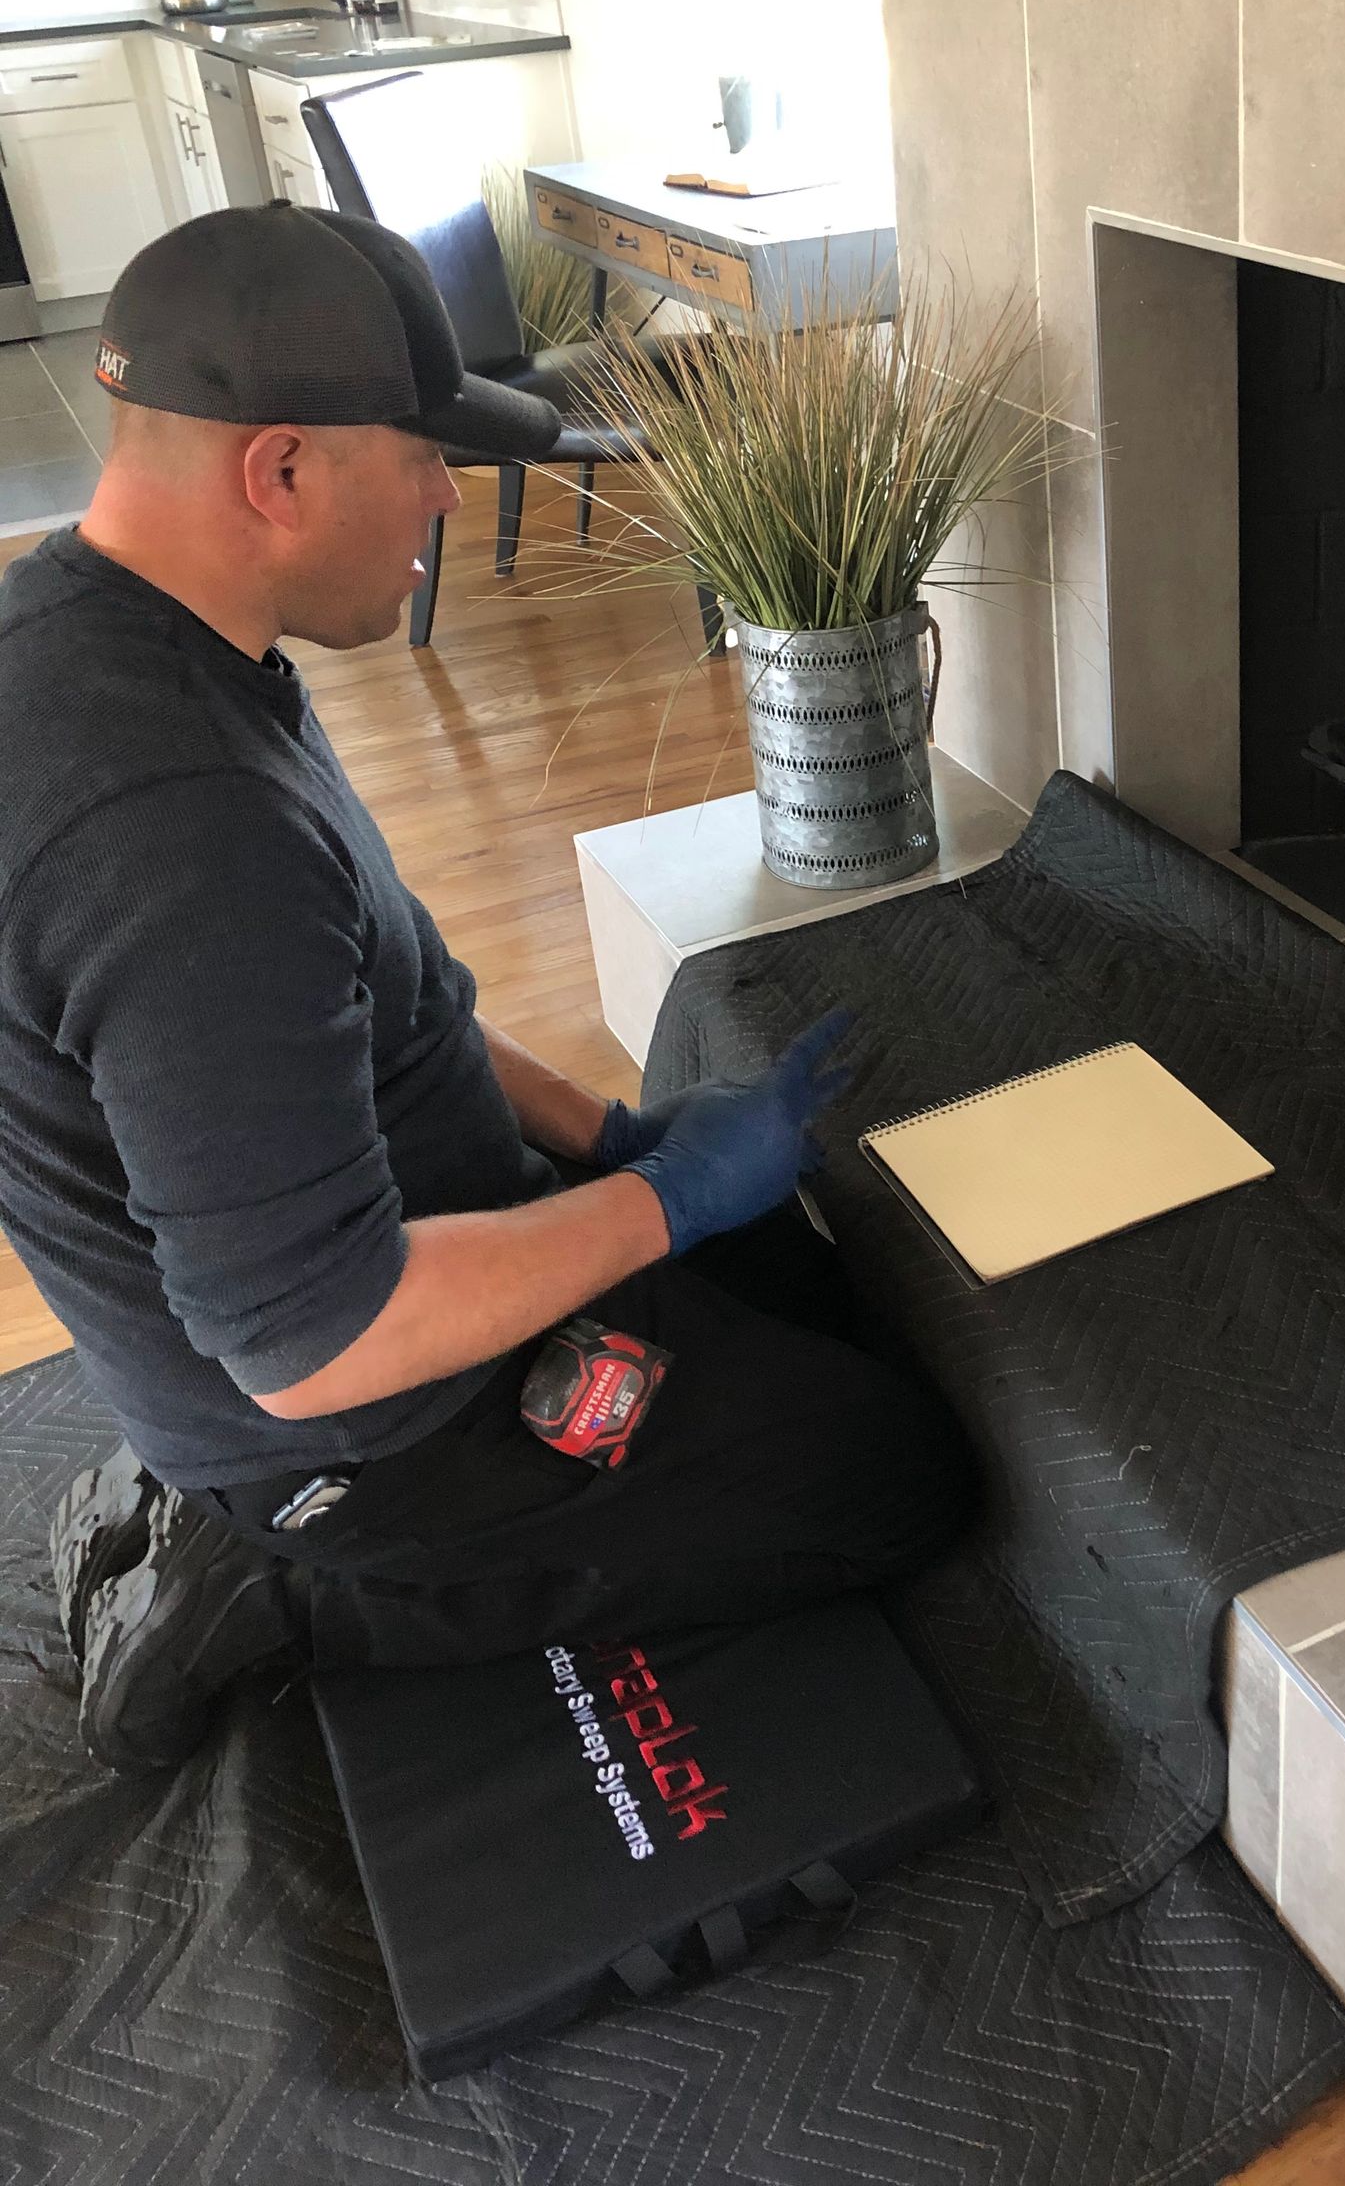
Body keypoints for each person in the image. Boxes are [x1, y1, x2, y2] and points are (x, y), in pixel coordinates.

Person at [0, 204, 975, 1773]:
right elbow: (314, 1343)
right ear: (284, 470)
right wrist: (660, 1211)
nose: (448, 497)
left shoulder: (122, 633)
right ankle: (291, 1591)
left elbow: (402, 998)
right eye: (422, 454)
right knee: (892, 1477)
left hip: (391, 1251)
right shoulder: (178, 837)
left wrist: (605, 1138)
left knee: (809, 1283)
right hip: (361, 1424)